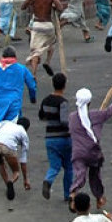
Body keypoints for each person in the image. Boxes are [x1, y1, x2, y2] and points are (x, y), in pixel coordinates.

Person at [69, 87, 112, 210]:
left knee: (80, 174)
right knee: (95, 176)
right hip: (93, 152)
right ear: (90, 102)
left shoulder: (72, 117)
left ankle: (73, 193)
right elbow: (111, 111)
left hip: (78, 152)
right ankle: (99, 198)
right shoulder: (96, 115)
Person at [21, 0, 64, 77]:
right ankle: (47, 61)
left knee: (35, 51)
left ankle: (34, 74)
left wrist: (31, 3)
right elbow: (60, 8)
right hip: (48, 25)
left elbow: (23, 6)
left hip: (36, 24)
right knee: (51, 44)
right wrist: (52, 5)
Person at [38, 73, 73, 202]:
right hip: (64, 138)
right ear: (64, 85)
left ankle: (48, 180)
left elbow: (41, 116)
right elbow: (64, 121)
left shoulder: (46, 100)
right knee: (69, 167)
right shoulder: (63, 102)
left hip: (50, 138)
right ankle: (67, 194)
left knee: (54, 166)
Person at [0, 46, 37, 129]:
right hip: (14, 102)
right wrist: (32, 98)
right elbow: (32, 85)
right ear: (15, 57)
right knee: (14, 129)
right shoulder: (21, 69)